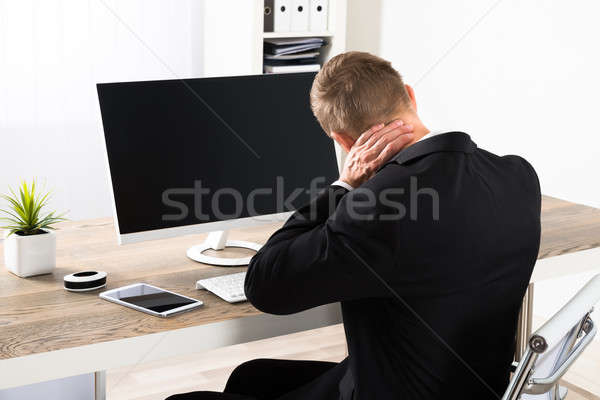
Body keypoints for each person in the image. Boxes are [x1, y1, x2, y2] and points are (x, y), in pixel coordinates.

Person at [167, 52, 541, 400]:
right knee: (252, 377)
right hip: (472, 387)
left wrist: (343, 186)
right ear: (410, 95)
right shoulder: (518, 176)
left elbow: (264, 284)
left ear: (345, 143)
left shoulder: (376, 207)